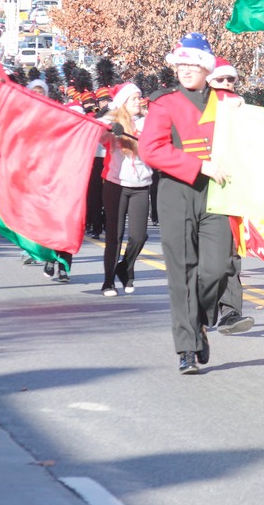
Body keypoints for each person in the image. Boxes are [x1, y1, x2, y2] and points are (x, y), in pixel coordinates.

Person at [139, 33, 254, 375]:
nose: (185, 70)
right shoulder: (164, 102)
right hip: (177, 192)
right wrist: (197, 165)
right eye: (180, 64)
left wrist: (243, 112)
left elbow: (249, 139)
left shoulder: (228, 102)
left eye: (192, 64)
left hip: (217, 193)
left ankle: (201, 319)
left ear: (206, 67)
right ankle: (187, 347)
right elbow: (151, 149)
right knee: (182, 272)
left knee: (217, 268)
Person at [206, 58, 249, 327]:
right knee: (203, 260)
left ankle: (231, 311)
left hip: (229, 192)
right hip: (197, 190)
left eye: (230, 80)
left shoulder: (243, 110)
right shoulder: (195, 109)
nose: (226, 85)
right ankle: (202, 310)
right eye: (220, 80)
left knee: (229, 254)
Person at [98, 82, 152, 297]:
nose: (138, 101)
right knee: (115, 236)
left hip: (141, 186)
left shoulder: (147, 123)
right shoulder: (111, 122)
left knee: (139, 236)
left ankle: (125, 266)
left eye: (139, 97)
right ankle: (108, 280)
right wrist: (111, 130)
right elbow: (98, 132)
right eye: (133, 98)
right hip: (116, 184)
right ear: (122, 103)